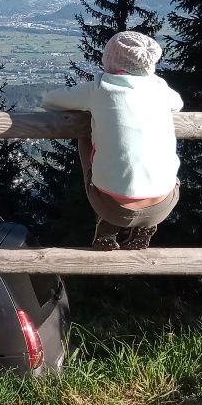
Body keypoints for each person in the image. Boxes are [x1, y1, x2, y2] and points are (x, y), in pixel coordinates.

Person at [41, 30, 183, 250]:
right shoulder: (160, 89)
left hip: (111, 207)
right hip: (163, 206)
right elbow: (178, 104)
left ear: (110, 59)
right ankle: (145, 226)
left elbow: (50, 101)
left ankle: (106, 230)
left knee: (86, 139)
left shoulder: (101, 87)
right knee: (167, 173)